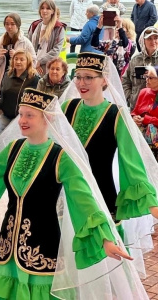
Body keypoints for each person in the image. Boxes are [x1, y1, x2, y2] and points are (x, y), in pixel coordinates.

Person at [0, 88, 147, 300]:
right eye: (21, 114)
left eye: (30, 115)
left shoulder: (62, 158)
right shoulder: (12, 149)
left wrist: (105, 239)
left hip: (43, 247)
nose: (23, 121)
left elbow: (84, 199)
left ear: (48, 118)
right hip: (9, 244)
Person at [61, 52, 158, 260]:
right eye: (78, 76)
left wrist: (152, 205)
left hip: (102, 198)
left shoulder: (117, 115)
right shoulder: (67, 108)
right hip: (66, 196)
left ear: (104, 79)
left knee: (103, 268)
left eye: (89, 77)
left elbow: (132, 163)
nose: (81, 83)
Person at [0, 13, 36, 124]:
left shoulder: (25, 42)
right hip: (3, 82)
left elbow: (34, 62)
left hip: (19, 84)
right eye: (7, 24)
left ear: (18, 25)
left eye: (12, 24)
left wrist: (18, 57)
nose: (9, 27)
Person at [0, 50, 39, 141]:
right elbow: (2, 91)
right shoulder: (7, 75)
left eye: (21, 59)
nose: (18, 62)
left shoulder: (33, 78)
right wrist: (1, 104)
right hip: (7, 115)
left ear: (27, 62)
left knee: (12, 136)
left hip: (23, 117)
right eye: (16, 59)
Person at [123, 26, 158, 110]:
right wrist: (130, 98)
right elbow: (125, 81)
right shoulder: (135, 60)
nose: (153, 41)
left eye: (156, 38)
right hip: (136, 108)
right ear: (143, 40)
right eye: (149, 38)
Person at [131, 65, 158, 159]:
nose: (147, 80)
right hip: (141, 134)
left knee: (151, 129)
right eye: (146, 77)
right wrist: (135, 117)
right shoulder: (143, 92)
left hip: (155, 139)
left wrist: (146, 119)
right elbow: (135, 111)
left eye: (150, 78)